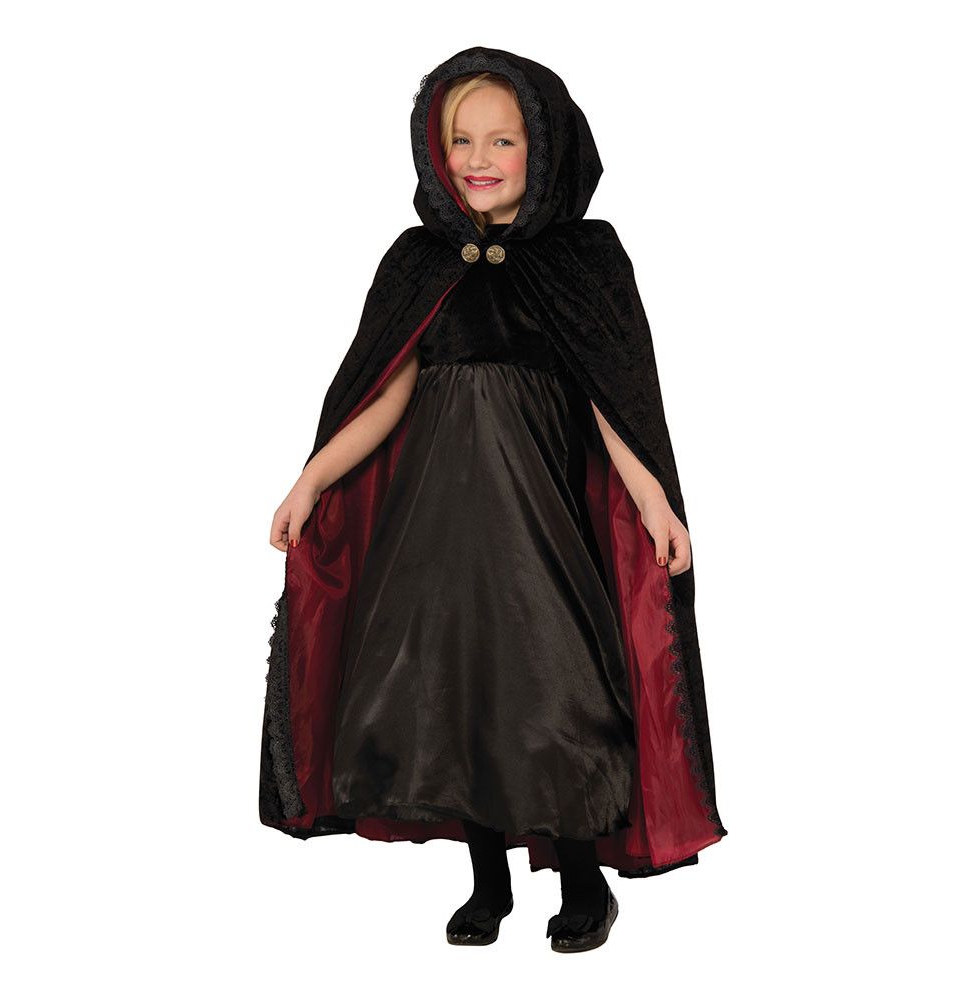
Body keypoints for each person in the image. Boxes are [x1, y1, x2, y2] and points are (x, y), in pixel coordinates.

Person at [260, 47, 728, 954]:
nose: (478, 158)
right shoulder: (419, 262)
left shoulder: (584, 259)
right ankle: (487, 884)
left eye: (502, 140)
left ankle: (584, 883)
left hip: (539, 524)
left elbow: (614, 398)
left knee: (556, 691)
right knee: (452, 693)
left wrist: (655, 500)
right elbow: (384, 391)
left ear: (545, 149)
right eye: (460, 140)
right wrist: (310, 477)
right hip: (433, 530)